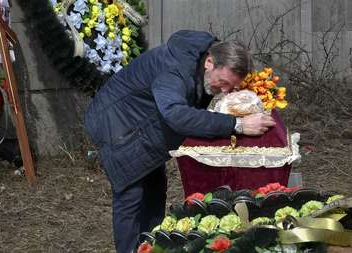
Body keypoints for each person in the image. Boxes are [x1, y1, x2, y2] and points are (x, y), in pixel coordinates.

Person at [84, 30, 275, 253]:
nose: (224, 91)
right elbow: (176, 114)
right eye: (223, 83)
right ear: (210, 62)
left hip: (141, 125)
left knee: (155, 189)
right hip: (118, 126)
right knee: (131, 194)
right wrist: (237, 124)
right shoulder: (173, 70)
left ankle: (151, 246)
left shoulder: (198, 61)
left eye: (230, 87)